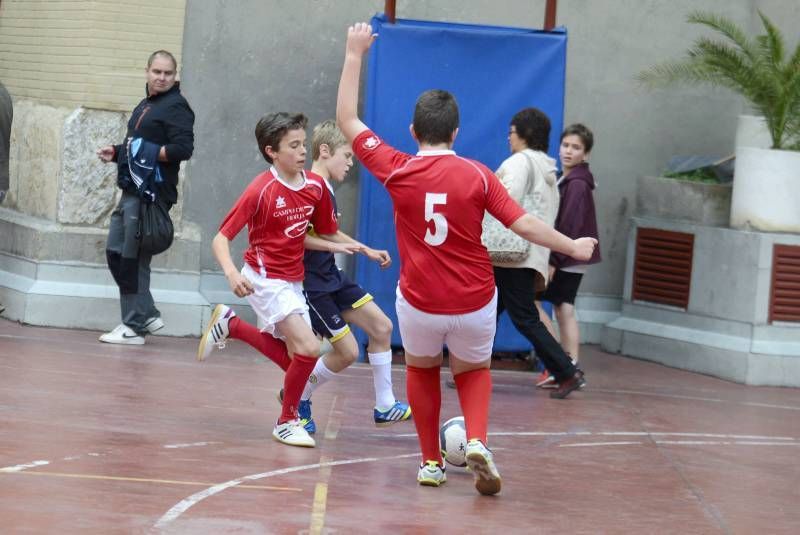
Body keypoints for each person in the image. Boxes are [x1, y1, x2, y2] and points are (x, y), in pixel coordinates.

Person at [336, 22, 597, 495]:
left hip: (420, 301)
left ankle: (431, 463)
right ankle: (476, 439)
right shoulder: (478, 175)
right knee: (474, 371)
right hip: (474, 299)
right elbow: (524, 224)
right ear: (457, 131)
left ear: (413, 130)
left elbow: (348, 121)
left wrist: (355, 53)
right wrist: (572, 245)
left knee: (420, 369)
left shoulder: (396, 169)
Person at [196, 112, 360, 449]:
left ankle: (232, 325)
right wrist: (231, 273)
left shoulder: (314, 188)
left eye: (303, 144)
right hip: (265, 279)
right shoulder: (261, 190)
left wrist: (340, 245)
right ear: (272, 151)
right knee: (311, 348)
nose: (303, 152)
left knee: (297, 361)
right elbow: (221, 238)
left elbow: (304, 236)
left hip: (293, 280)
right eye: (294, 146)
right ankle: (286, 421)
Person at [291, 119, 411, 434]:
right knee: (347, 353)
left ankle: (385, 405)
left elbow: (329, 232)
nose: (350, 163)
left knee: (382, 326)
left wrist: (365, 249)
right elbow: (300, 236)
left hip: (332, 277)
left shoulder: (324, 189)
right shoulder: (310, 188)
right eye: (346, 155)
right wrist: (347, 247)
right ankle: (297, 398)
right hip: (313, 284)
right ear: (326, 151)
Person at [96, 50, 195, 345]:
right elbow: (138, 145)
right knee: (116, 252)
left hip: (151, 195)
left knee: (133, 259)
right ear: (147, 71)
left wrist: (145, 156)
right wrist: (117, 152)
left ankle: (134, 326)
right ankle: (147, 312)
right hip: (131, 192)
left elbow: (182, 149)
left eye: (168, 73)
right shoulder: (147, 104)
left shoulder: (177, 106)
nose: (162, 77)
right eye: (157, 72)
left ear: (175, 75)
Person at [491, 108, 586, 399]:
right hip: (528, 254)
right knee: (489, 311)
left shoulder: (519, 163)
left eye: (511, 131)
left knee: (524, 317)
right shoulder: (547, 169)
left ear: (524, 133)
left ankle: (566, 371)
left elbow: (502, 202)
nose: (508, 137)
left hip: (510, 254)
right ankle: (468, 367)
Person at [536, 124, 601, 382]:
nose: (568, 151)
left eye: (576, 148)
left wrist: (554, 259)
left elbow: (569, 224)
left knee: (562, 307)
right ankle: (566, 362)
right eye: (566, 145)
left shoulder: (576, 184)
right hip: (571, 256)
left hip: (569, 257)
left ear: (585, 155)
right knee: (563, 307)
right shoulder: (571, 179)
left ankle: (566, 363)